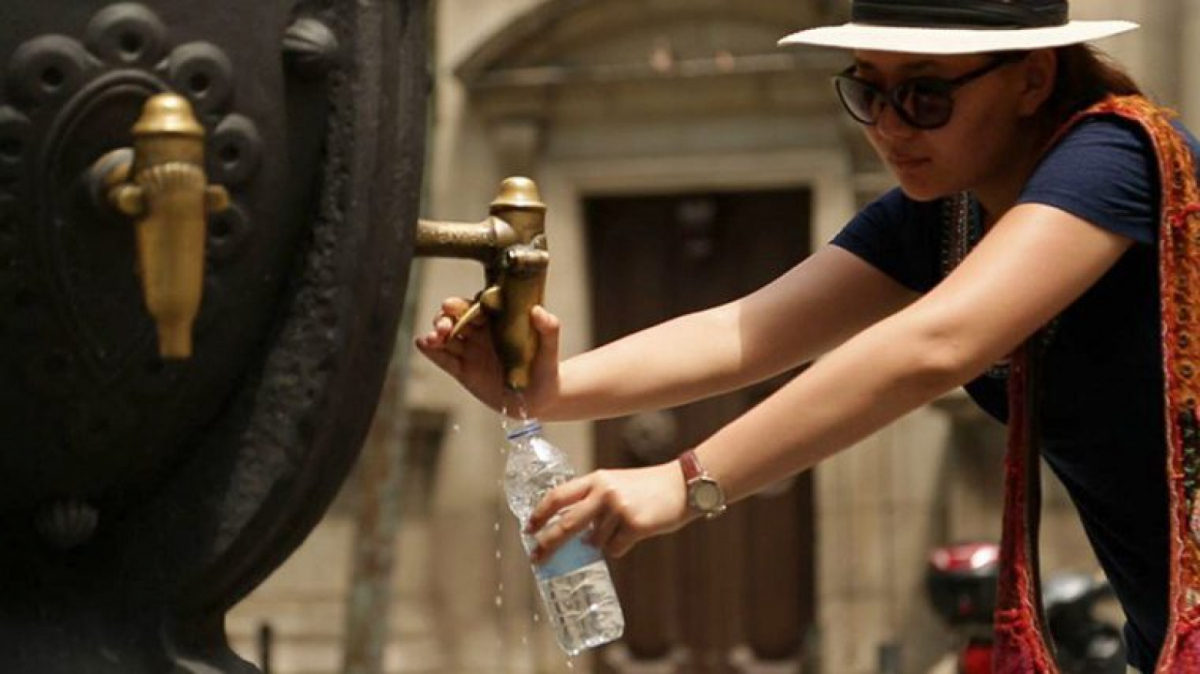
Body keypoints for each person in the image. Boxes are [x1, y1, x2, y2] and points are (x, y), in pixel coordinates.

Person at [416, 2, 1200, 671]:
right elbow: (745, 330)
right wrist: (548, 387)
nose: (889, 127)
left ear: (1032, 79)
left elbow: (937, 345)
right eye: (868, 90)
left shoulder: (1114, 158)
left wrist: (684, 483)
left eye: (925, 97)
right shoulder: (947, 211)